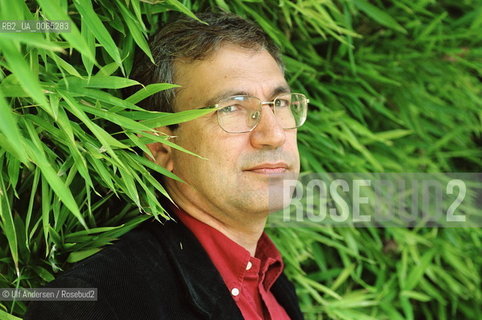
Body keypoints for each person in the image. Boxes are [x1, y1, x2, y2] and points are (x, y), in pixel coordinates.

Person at [25, 11, 307, 320]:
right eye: (233, 108)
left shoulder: (272, 282)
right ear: (161, 149)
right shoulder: (95, 306)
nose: (274, 134)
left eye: (279, 104)